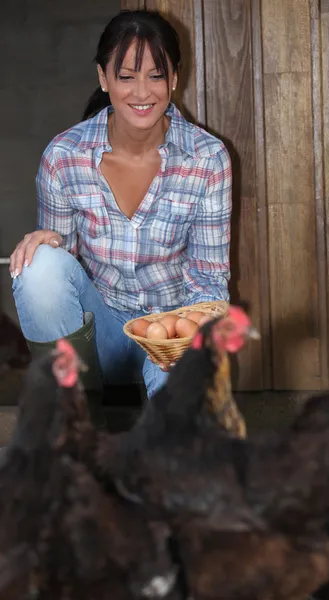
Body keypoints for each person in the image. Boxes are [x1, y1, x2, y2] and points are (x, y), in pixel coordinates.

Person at [9, 9, 232, 418]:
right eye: (126, 76)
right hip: (99, 337)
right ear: (103, 78)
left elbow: (209, 281)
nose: (142, 92)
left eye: (156, 75)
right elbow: (63, 264)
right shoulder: (64, 157)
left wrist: (184, 344)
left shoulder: (208, 158)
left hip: (169, 336)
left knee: (180, 440)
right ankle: (69, 421)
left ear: (175, 79)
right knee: (38, 265)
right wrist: (46, 242)